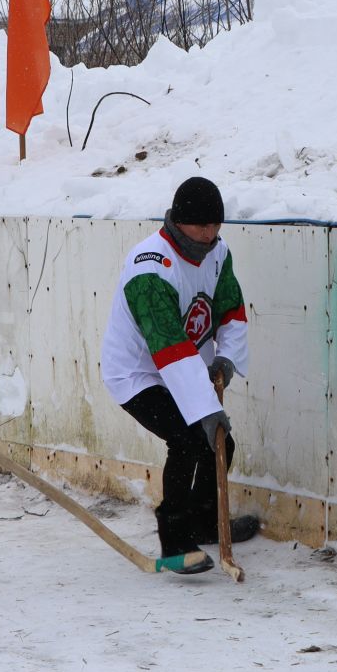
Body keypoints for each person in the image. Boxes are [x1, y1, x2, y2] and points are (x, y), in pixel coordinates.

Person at [100, 176, 260, 570]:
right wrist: (204, 407)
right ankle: (175, 542)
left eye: (215, 224)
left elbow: (230, 306)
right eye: (200, 225)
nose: (208, 233)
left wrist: (226, 358)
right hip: (138, 374)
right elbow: (168, 347)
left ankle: (207, 522)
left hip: (185, 364)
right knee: (189, 439)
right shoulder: (150, 267)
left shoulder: (217, 251)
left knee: (221, 444)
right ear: (179, 222)